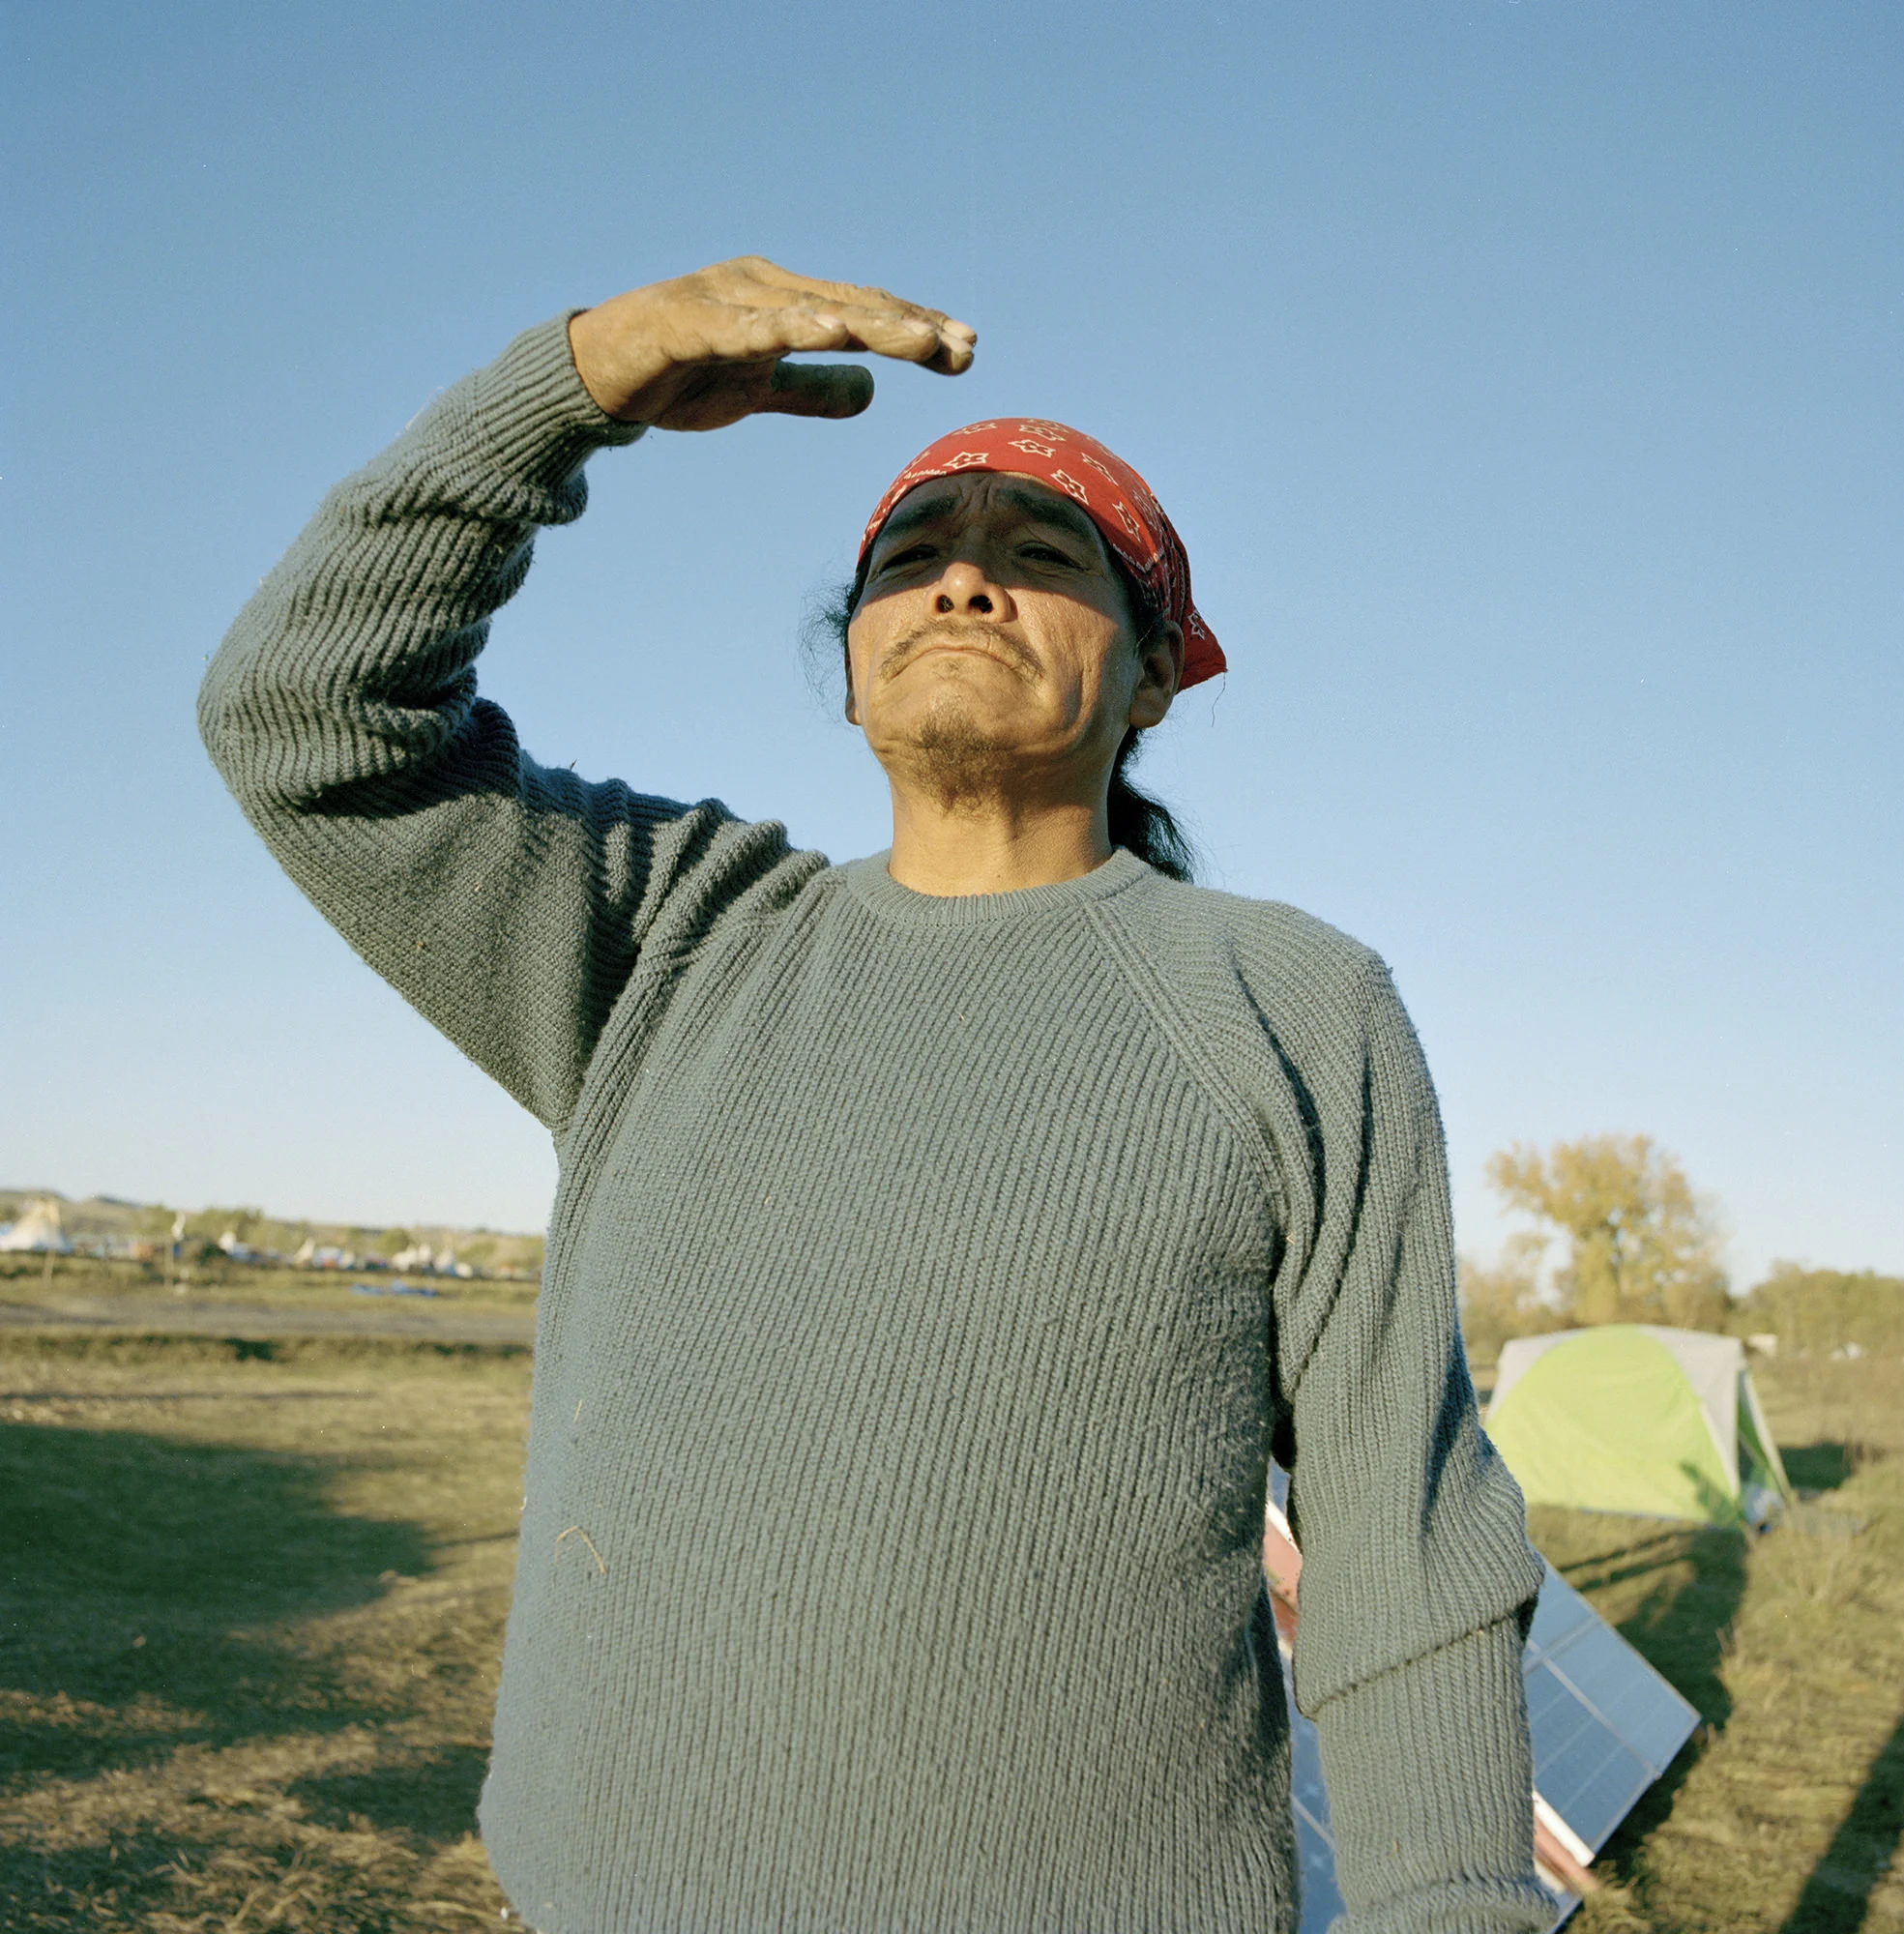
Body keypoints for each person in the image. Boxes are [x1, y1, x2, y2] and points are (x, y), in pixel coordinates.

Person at [200, 257, 1551, 1934]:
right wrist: (573, 386)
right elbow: (304, 716)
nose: (963, 581)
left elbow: (1402, 1542)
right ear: (850, 673)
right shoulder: (675, 941)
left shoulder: (1290, 1002)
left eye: (1042, 558)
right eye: (911, 557)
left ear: (1148, 684)